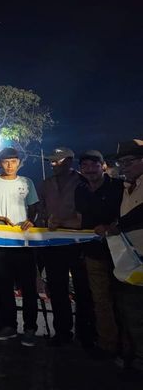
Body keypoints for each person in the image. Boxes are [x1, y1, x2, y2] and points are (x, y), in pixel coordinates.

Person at [0, 147, 40, 347]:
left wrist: (31, 220)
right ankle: (9, 325)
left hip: (24, 243)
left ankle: (30, 328)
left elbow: (34, 207)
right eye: (5, 161)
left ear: (19, 162)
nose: (10, 165)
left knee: (29, 287)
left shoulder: (27, 182)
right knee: (4, 286)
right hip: (1, 242)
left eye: (13, 161)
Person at [39, 147, 94, 347]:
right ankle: (62, 332)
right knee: (57, 288)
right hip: (53, 243)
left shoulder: (83, 182)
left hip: (78, 243)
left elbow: (88, 214)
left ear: (69, 161)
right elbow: (41, 209)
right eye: (52, 161)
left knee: (82, 289)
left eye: (58, 161)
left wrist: (64, 222)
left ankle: (85, 333)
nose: (53, 164)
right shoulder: (46, 184)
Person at [96, 139, 143, 371]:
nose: (124, 166)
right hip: (131, 262)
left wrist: (117, 226)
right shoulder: (125, 187)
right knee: (131, 312)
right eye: (121, 162)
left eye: (129, 161)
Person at [75, 150, 123, 358]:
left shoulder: (119, 187)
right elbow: (80, 220)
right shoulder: (80, 190)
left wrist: (111, 227)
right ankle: (108, 344)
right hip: (94, 253)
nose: (89, 169)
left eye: (94, 164)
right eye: (85, 165)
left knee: (125, 300)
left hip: (122, 252)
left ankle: (129, 347)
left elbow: (127, 216)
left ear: (103, 166)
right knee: (101, 300)